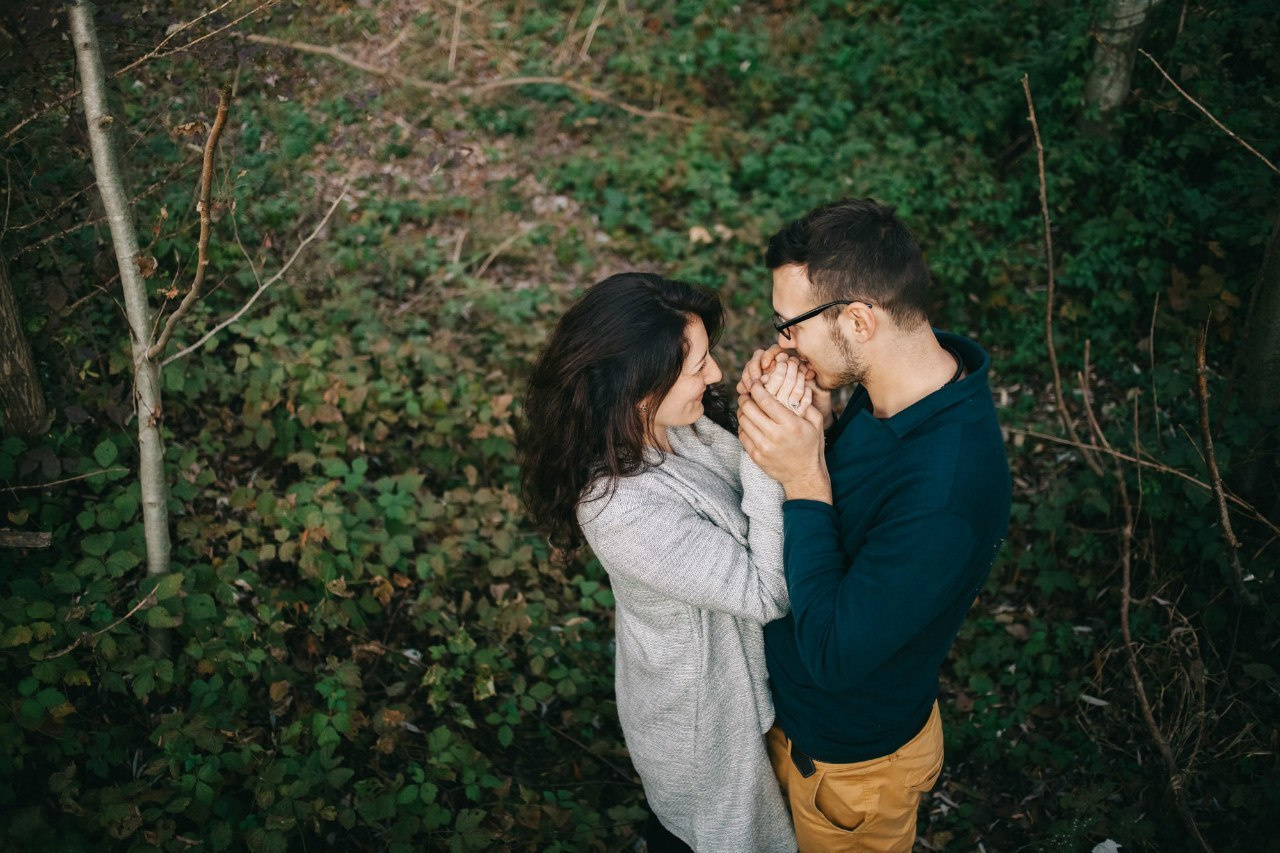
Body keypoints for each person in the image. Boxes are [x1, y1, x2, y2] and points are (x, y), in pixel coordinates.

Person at [735, 199, 1013, 851]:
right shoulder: (890, 390)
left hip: (853, 767)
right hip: (795, 722)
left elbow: (835, 655)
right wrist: (812, 411)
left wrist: (803, 474)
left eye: (789, 325)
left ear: (858, 320)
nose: (782, 341)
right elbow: (854, 506)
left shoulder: (949, 487)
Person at [517, 272, 805, 852]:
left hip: (747, 688)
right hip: (703, 721)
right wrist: (771, 456)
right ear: (638, 386)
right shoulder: (618, 507)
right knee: (719, 838)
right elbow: (767, 592)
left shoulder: (674, 424)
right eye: (697, 366)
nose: (716, 374)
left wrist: (758, 413)